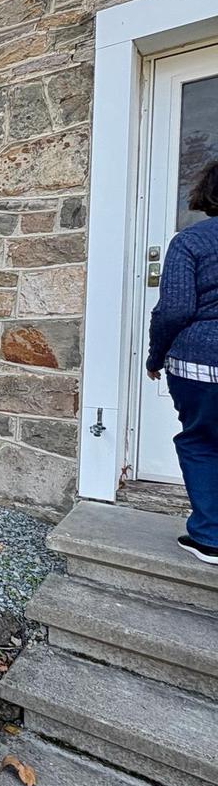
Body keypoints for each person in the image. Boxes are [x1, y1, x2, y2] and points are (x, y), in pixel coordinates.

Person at [147, 159, 218, 564]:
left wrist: (156, 356)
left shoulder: (191, 242)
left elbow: (174, 309)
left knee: (202, 441)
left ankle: (210, 536)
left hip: (202, 365)